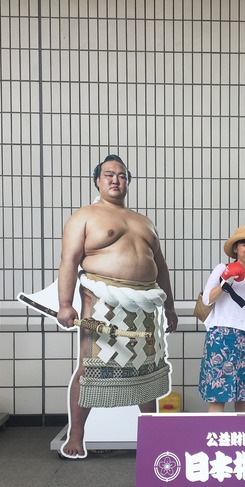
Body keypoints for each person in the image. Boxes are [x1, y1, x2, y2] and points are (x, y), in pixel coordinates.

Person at [57, 155, 178, 458]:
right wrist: (64, 304)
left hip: (145, 305)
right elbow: (69, 260)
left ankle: (152, 433)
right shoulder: (84, 216)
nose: (115, 179)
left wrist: (170, 307)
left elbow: (161, 266)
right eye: (109, 174)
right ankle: (76, 434)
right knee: (91, 366)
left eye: (122, 175)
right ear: (97, 180)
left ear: (128, 182)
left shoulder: (143, 221)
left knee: (146, 367)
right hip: (102, 302)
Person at [199, 226, 245, 412]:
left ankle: (242, 431)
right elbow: (207, 299)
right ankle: (215, 430)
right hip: (220, 335)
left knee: (243, 394)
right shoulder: (221, 268)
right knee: (218, 394)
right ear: (235, 248)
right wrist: (226, 282)